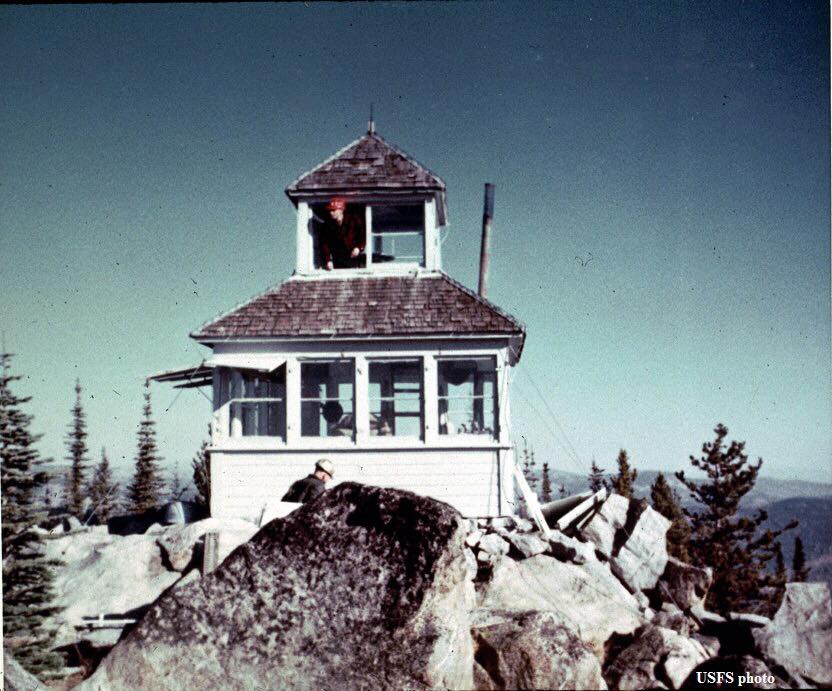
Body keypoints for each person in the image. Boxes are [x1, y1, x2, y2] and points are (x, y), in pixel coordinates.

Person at [318, 197, 365, 270]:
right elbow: (325, 244)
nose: (331, 213)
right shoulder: (327, 226)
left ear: (341, 210)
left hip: (354, 260)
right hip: (338, 261)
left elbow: (363, 235)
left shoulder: (353, 221)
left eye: (333, 210)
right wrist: (328, 260)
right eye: (330, 210)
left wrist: (358, 248)